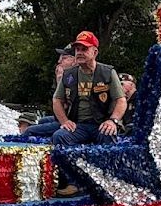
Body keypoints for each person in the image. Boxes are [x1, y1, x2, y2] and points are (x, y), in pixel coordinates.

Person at [51, 32, 127, 196]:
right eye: (77, 48)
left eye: (84, 49)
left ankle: (109, 183)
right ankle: (73, 182)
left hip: (102, 123)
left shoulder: (107, 72)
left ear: (95, 52)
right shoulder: (69, 74)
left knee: (108, 134)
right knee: (59, 136)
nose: (79, 52)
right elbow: (57, 100)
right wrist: (64, 121)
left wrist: (113, 121)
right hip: (79, 125)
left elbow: (121, 100)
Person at [24, 46, 79, 139]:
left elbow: (65, 107)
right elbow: (55, 105)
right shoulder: (65, 76)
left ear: (74, 61)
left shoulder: (74, 77)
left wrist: (60, 80)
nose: (59, 61)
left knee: (29, 131)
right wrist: (59, 80)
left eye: (64, 58)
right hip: (63, 117)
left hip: (72, 120)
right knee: (42, 121)